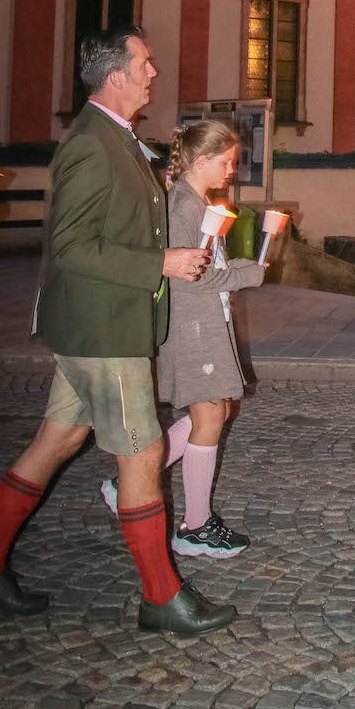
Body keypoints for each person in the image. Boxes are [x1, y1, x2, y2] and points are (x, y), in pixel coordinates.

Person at [0, 26, 236, 637]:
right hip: (103, 326)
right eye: (145, 63)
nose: (153, 72)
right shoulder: (91, 145)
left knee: (57, 442)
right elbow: (70, 246)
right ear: (116, 76)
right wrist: (162, 263)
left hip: (98, 323)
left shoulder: (118, 139)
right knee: (144, 451)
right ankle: (161, 595)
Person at [100, 120, 266, 557]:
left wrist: (234, 268)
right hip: (192, 326)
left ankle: (129, 482)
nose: (232, 169)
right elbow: (190, 276)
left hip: (206, 321)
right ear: (201, 160)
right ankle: (195, 526)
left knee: (217, 409)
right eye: (226, 162)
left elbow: (205, 266)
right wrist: (246, 274)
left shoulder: (196, 202)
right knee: (210, 415)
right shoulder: (183, 207)